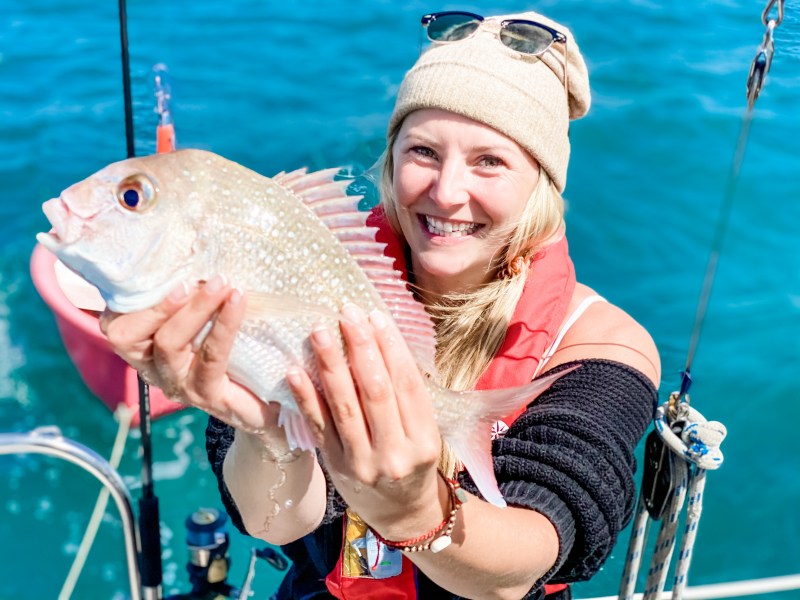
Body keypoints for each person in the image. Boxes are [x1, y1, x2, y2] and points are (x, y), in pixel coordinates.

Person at [101, 9, 660, 600]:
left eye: (489, 161)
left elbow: (528, 558)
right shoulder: (309, 266)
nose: (447, 191)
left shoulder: (599, 343)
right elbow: (273, 522)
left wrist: (414, 510)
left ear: (541, 185)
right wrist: (266, 432)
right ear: (391, 160)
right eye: (423, 151)